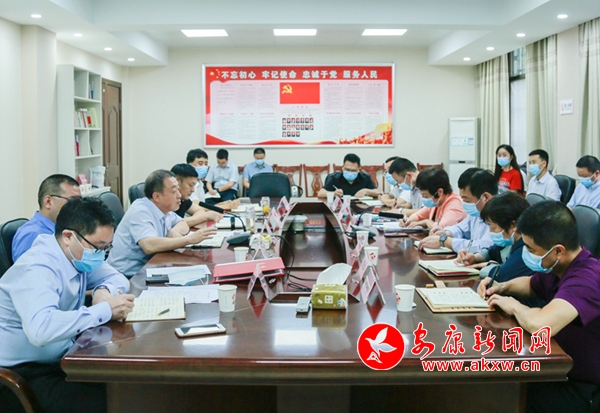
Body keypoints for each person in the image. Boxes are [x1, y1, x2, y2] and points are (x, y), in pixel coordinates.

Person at [0, 198, 134, 413]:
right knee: (113, 403)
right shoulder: (38, 267)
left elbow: (118, 278)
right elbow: (41, 330)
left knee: (126, 385)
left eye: (106, 248)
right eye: (98, 247)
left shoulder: (76, 255)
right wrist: (103, 310)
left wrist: (102, 291)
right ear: (68, 236)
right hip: (21, 374)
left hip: (63, 357)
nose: (101, 255)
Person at [478, 201, 600, 413]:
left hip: (582, 387)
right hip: (556, 369)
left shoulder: (586, 279)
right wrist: (501, 287)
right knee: (494, 385)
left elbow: (541, 325)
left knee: (499, 396)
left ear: (558, 251)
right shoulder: (559, 267)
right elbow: (530, 284)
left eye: (531, 249)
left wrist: (514, 306)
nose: (526, 253)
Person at [108, 170, 217, 277]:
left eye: (178, 190)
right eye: (174, 192)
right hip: (127, 276)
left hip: (151, 267)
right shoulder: (140, 211)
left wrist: (174, 230)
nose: (179, 195)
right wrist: (189, 239)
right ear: (156, 197)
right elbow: (149, 245)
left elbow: (183, 223)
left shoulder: (164, 209)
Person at [456, 191, 535, 286]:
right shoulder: (510, 240)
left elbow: (500, 276)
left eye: (493, 227)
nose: (491, 231)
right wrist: (475, 257)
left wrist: (490, 266)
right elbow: (492, 251)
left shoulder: (527, 249)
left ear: (513, 225)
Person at [418, 168, 496, 252]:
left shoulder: (499, 213)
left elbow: (483, 247)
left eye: (467, 200)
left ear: (485, 197)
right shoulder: (478, 211)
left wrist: (445, 241)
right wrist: (446, 233)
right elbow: (461, 228)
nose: (464, 203)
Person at [12, 174, 81, 261]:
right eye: (73, 201)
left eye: (80, 201)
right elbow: (28, 269)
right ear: (48, 202)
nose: (78, 207)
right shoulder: (32, 235)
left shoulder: (64, 229)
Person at [404, 167, 466, 231]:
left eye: (425, 196)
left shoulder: (455, 204)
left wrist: (426, 221)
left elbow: (440, 228)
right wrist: (408, 220)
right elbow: (418, 215)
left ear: (440, 192)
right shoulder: (436, 202)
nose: (423, 198)